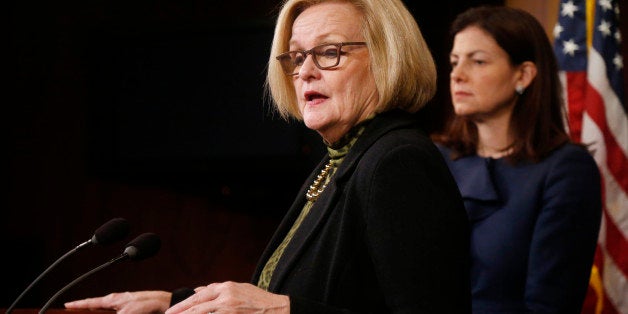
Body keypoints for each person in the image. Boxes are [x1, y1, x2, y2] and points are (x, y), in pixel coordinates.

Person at [65, 0, 472, 313]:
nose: (306, 72)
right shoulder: (343, 159)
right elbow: (305, 291)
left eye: (329, 52)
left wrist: (281, 310)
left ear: (388, 57)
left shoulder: (397, 161)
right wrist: (175, 300)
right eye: (296, 57)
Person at [431, 5, 603, 313]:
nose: (457, 75)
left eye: (478, 61)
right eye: (454, 62)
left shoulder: (565, 170)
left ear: (523, 74)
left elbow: (549, 304)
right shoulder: (435, 159)